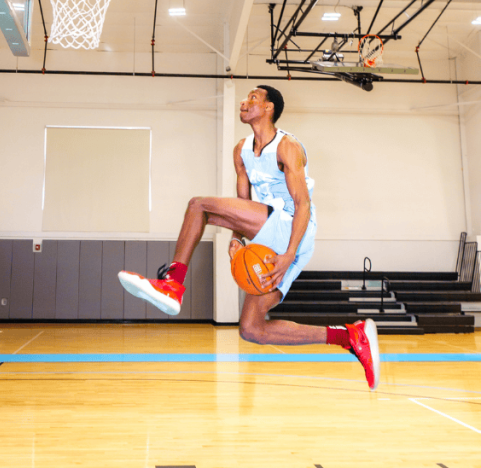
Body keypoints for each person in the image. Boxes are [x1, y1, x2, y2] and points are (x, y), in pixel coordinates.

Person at [118, 85, 380, 390]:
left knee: (198, 205)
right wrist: (238, 239)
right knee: (252, 329)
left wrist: (288, 253)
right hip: (271, 231)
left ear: (269, 108)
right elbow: (242, 206)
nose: (245, 102)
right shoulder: (241, 151)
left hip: (293, 227)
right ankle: (349, 336)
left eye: (253, 98)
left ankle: (173, 283)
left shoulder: (287, 147)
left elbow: (303, 204)